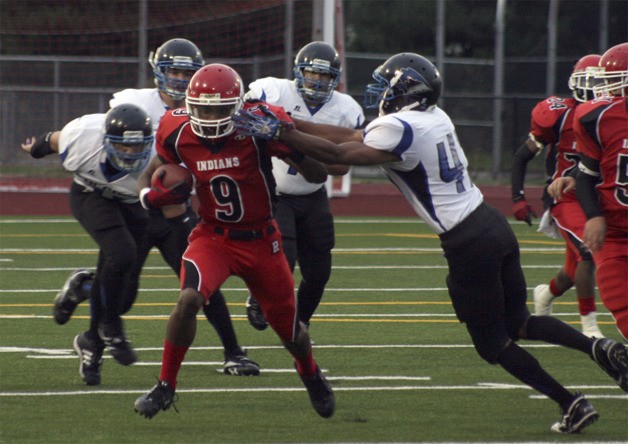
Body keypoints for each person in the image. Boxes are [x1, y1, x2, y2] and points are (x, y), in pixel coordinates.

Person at [233, 52, 628, 433]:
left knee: (492, 343)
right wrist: (292, 123)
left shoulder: (399, 127)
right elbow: (353, 135)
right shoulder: (431, 117)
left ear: (406, 90)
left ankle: (569, 403)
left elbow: (339, 153)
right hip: (490, 223)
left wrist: (284, 132)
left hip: (466, 240)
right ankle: (598, 349)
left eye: (386, 86)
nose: (380, 93)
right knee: (519, 322)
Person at [133, 63, 335, 419]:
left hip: (262, 240)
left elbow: (318, 174)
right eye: (202, 107)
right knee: (188, 299)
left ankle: (310, 372)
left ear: (237, 106)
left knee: (290, 332)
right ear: (189, 104)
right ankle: (166, 385)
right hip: (213, 236)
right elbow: (153, 174)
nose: (209, 116)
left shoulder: (257, 126)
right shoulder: (174, 129)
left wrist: (284, 136)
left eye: (219, 108)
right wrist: (151, 198)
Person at [51, 38, 260, 376]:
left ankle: (233, 351)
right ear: (158, 71)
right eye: (173, 70)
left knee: (201, 282)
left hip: (174, 209)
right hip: (136, 204)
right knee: (121, 293)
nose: (179, 79)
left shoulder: (206, 104)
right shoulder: (133, 101)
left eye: (186, 72)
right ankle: (90, 323)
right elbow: (109, 138)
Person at [21, 104, 156, 385]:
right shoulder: (83, 135)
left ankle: (83, 296)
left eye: (137, 146)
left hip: (132, 202)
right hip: (91, 193)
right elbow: (53, 140)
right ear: (106, 140)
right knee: (121, 254)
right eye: (123, 146)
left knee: (123, 296)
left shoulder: (159, 154)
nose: (130, 153)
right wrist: (36, 149)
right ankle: (110, 326)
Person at [243, 41, 364, 333]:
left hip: (313, 195)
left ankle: (302, 322)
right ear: (299, 72)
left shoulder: (347, 109)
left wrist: (295, 145)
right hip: (277, 193)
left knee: (320, 271)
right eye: (312, 73)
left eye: (324, 76)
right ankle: (257, 297)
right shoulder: (273, 90)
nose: (318, 80)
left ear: (335, 79)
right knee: (285, 255)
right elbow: (249, 114)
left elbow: (341, 166)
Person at [510, 54, 604, 338]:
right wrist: (518, 197)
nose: (594, 87)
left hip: (600, 195)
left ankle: (546, 294)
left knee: (572, 270)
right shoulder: (560, 115)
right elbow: (522, 155)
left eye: (599, 81)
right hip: (566, 196)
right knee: (587, 254)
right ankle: (590, 329)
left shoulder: (614, 114)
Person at [552, 42, 628, 340]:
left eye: (615, 81)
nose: (607, 90)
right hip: (613, 231)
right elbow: (589, 173)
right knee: (621, 304)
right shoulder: (596, 118)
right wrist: (594, 214)